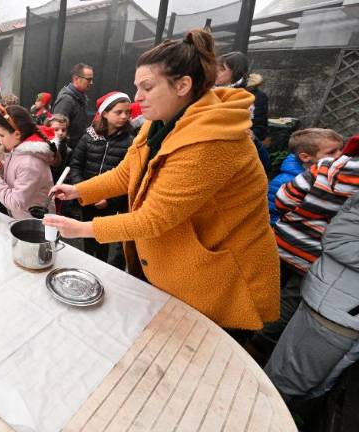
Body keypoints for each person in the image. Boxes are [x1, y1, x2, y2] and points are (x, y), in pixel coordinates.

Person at [44, 29, 279, 333]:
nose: (137, 98)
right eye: (137, 87)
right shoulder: (159, 122)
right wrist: (78, 189)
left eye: (147, 87)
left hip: (221, 280)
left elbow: (155, 218)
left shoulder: (212, 141)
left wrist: (81, 228)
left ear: (183, 85)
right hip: (178, 265)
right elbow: (128, 172)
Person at [250, 144, 358, 356]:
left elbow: (283, 199)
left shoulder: (326, 167)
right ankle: (257, 346)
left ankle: (241, 327)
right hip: (312, 257)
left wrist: (300, 218)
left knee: (262, 289)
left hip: (282, 243)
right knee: (288, 303)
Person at [265, 193, 359, 404]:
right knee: (281, 386)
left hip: (343, 316)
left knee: (307, 391)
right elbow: (337, 239)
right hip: (332, 316)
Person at [68, 91, 133, 268]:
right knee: (86, 236)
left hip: (108, 202)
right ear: (105, 113)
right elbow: (76, 166)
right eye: (118, 112)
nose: (124, 116)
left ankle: (101, 268)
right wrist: (82, 191)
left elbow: (128, 178)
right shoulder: (88, 137)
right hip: (86, 199)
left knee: (104, 239)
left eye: (127, 112)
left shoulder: (130, 142)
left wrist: (110, 200)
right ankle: (87, 264)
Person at [0, 105, 57, 219]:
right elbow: (17, 176)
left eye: (1, 135)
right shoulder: (19, 149)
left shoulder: (30, 163)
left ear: (17, 134)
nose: (0, 141)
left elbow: (16, 203)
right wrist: (1, 168)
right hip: (24, 216)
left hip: (34, 221)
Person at [267, 128, 344, 225]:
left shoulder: (334, 173)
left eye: (341, 150)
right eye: (331, 152)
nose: (340, 155)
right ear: (305, 157)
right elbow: (271, 214)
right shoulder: (284, 182)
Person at [215, 52, 270, 171]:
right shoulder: (208, 93)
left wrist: (249, 134)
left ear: (235, 72)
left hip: (240, 151)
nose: (215, 73)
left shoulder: (255, 96)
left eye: (221, 70)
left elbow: (261, 129)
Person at [53, 63, 94, 150]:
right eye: (88, 79)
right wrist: (66, 151)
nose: (91, 83)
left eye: (92, 79)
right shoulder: (66, 100)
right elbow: (57, 129)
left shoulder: (81, 97)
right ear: (76, 79)